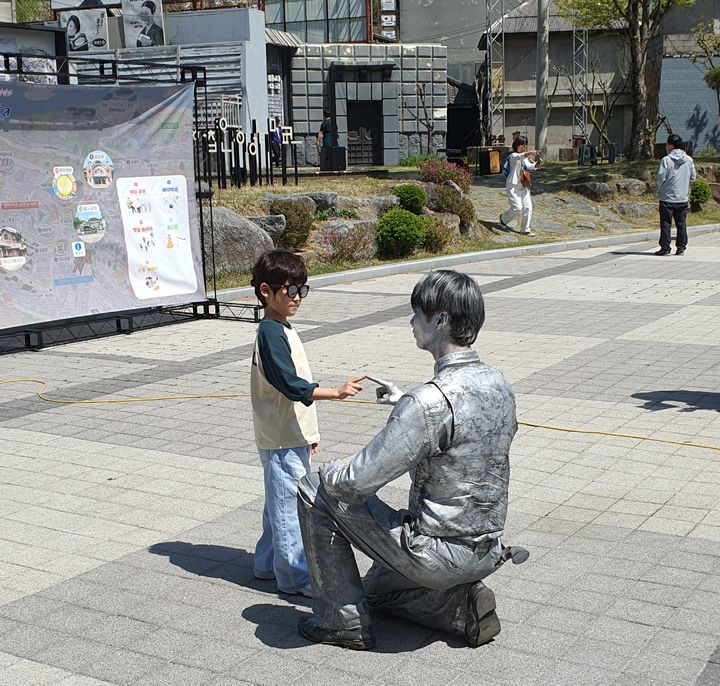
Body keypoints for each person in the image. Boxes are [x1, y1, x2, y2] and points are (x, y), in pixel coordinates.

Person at [296, 270, 527, 650]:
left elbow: (355, 482)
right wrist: (405, 402)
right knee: (374, 592)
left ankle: (341, 623)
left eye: (417, 313)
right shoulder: (499, 384)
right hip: (486, 549)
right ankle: (457, 607)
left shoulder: (428, 403)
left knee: (313, 488)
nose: (411, 321)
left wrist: (330, 470)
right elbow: (459, 430)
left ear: (440, 320)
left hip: (434, 552)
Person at [250, 250, 365, 598]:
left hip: (289, 434)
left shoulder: (280, 326)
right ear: (266, 291)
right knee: (287, 510)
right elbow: (289, 383)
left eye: (302, 289)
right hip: (282, 437)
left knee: (278, 504)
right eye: (290, 290)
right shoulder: (271, 333)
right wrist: (336, 392)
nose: (297, 297)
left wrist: (309, 435)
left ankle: (265, 564)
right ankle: (294, 577)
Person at [655, 134, 696, 256]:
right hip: (682, 197)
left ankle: (665, 247)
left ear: (671, 145)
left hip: (667, 197)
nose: (666, 147)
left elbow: (660, 178)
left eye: (667, 145)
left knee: (666, 224)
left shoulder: (666, 160)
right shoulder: (689, 160)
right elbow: (693, 177)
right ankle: (681, 247)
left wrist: (660, 188)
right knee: (681, 224)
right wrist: (683, 184)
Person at [499, 135, 541, 237]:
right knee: (517, 207)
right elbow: (520, 157)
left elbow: (528, 166)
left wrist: (536, 165)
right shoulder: (513, 156)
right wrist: (530, 152)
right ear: (516, 146)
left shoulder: (524, 157)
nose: (524, 148)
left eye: (525, 146)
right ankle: (503, 219)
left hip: (524, 185)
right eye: (522, 145)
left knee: (528, 207)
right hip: (513, 186)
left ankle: (525, 229)